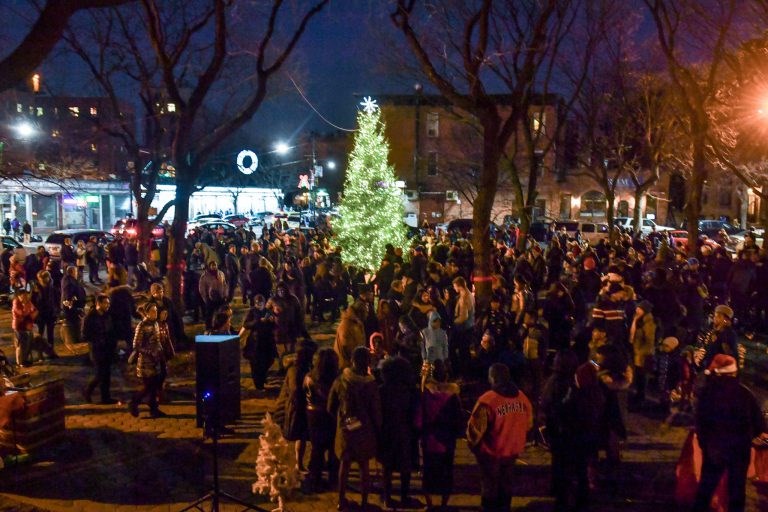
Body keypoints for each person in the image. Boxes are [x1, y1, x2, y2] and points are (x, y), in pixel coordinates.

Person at [692, 354, 766, 512]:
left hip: (714, 448)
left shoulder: (707, 394)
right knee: (737, 490)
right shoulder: (745, 394)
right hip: (739, 450)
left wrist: (704, 443)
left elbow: (701, 421)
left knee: (706, 487)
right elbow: (759, 424)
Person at [467, 363, 533, 512]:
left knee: (490, 486)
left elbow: (474, 430)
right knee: (506, 484)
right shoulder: (522, 398)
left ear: (492, 378)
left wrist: (475, 447)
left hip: (491, 453)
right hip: (512, 451)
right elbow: (529, 423)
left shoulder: (488, 400)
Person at [327, 346, 382, 511]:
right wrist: (377, 428)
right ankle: (365, 503)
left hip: (346, 429)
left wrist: (340, 420)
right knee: (364, 466)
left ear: (352, 360)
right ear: (367, 362)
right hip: (364, 431)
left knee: (344, 465)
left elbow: (330, 406)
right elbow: (376, 412)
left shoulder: (341, 380)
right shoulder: (371, 385)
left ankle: (340, 500)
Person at [416, 359, 463, 511]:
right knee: (446, 473)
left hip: (429, 440)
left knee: (428, 473)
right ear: (446, 376)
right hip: (447, 442)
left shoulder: (426, 395)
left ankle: (429, 505)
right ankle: (443, 505)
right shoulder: (453, 396)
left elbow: (418, 419)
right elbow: (458, 421)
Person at [377, 356, 419, 508]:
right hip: (405, 432)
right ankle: (404, 496)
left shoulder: (381, 390)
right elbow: (415, 412)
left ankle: (387, 498)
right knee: (405, 467)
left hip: (387, 432)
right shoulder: (410, 391)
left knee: (387, 467)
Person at [303, 348, 340, 492]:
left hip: (313, 416)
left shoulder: (309, 377)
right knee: (332, 448)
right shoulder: (335, 380)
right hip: (329, 416)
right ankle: (332, 478)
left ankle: (315, 478)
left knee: (317, 448)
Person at [128, 302, 167, 418]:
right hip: (146, 363)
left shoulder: (155, 323)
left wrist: (161, 353)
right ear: (147, 313)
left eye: (156, 311)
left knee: (154, 386)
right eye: (153, 311)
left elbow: (157, 341)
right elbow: (136, 345)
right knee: (148, 387)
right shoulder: (142, 326)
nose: (155, 313)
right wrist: (150, 353)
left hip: (156, 361)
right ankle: (134, 402)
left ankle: (154, 409)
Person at [82, 294, 119, 404]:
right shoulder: (90, 317)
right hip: (97, 350)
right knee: (100, 374)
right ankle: (87, 391)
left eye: (108, 303)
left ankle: (106, 398)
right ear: (98, 304)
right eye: (105, 303)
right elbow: (85, 335)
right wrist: (98, 339)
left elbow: (111, 330)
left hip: (107, 349)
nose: (108, 305)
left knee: (106, 374)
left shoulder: (107, 315)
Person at [242, 294, 277, 391]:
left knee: (269, 360)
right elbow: (246, 324)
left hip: (267, 341)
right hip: (256, 342)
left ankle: (263, 377)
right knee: (256, 363)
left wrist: (272, 321)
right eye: (257, 303)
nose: (259, 304)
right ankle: (259, 385)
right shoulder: (252, 311)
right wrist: (257, 321)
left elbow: (274, 327)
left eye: (261, 302)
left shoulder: (267, 311)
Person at [198, 260, 228, 331]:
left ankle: (219, 327)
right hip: (210, 298)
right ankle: (208, 328)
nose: (214, 267)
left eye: (215, 265)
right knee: (209, 314)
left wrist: (225, 294)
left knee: (221, 314)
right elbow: (202, 288)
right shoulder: (205, 276)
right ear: (209, 266)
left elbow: (224, 284)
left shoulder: (221, 274)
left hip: (220, 297)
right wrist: (206, 298)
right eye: (212, 265)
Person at [12, 289, 37, 367]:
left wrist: (30, 313)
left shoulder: (27, 302)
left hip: (27, 326)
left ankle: (25, 360)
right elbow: (21, 313)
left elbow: (35, 311)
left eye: (26, 295)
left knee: (27, 344)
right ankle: (20, 362)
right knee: (20, 345)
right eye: (23, 296)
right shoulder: (16, 303)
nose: (25, 297)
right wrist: (28, 310)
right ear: (19, 296)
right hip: (18, 326)